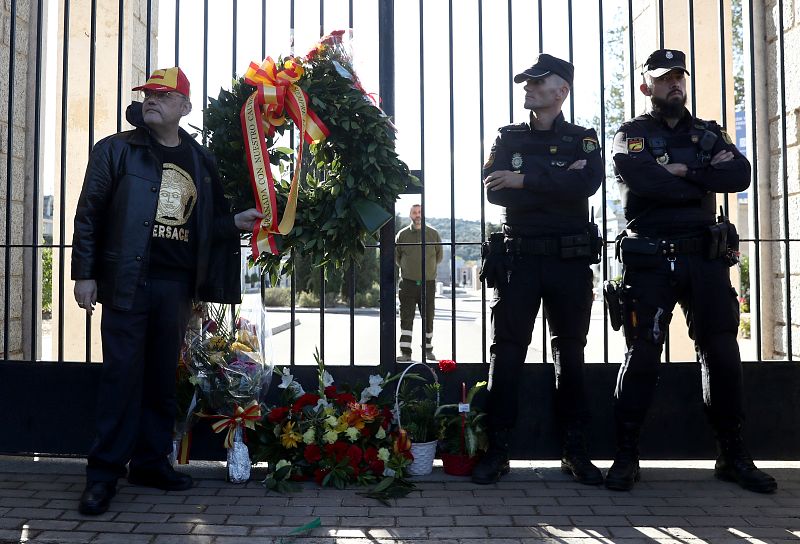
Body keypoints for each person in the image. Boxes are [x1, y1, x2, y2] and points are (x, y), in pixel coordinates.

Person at [72, 67, 264, 515]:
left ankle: (150, 464)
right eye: (148, 94)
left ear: (185, 107)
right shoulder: (115, 150)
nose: (152, 100)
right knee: (121, 377)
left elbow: (205, 224)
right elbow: (89, 214)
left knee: (161, 379)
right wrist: (84, 274)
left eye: (163, 94)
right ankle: (102, 475)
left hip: (176, 287)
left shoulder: (199, 159)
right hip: (126, 282)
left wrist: (234, 223)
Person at [606, 49, 776, 493]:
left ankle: (732, 454)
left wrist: (679, 171)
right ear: (646, 86)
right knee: (642, 354)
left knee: (721, 354)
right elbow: (641, 180)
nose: (674, 84)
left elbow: (739, 175)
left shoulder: (709, 132)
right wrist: (699, 173)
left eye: (679, 76)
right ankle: (626, 454)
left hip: (704, 258)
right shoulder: (631, 134)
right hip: (650, 260)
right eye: (664, 78)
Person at [473, 54, 604, 485]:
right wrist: (557, 178)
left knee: (571, 352)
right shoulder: (507, 137)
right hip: (519, 260)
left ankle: (575, 451)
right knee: (507, 352)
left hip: (568, 261)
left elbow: (587, 183)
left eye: (536, 81)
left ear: (561, 90)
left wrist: (524, 179)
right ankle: (497, 450)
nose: (527, 87)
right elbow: (495, 190)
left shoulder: (583, 139)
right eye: (526, 82)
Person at [395, 204, 443, 362]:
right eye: (414, 212)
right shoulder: (402, 235)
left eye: (420, 212)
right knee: (406, 318)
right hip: (407, 284)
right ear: (410, 215)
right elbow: (397, 257)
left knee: (428, 318)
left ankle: (428, 350)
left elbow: (439, 257)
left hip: (428, 283)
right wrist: (409, 269)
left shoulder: (433, 234)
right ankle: (405, 353)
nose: (417, 215)